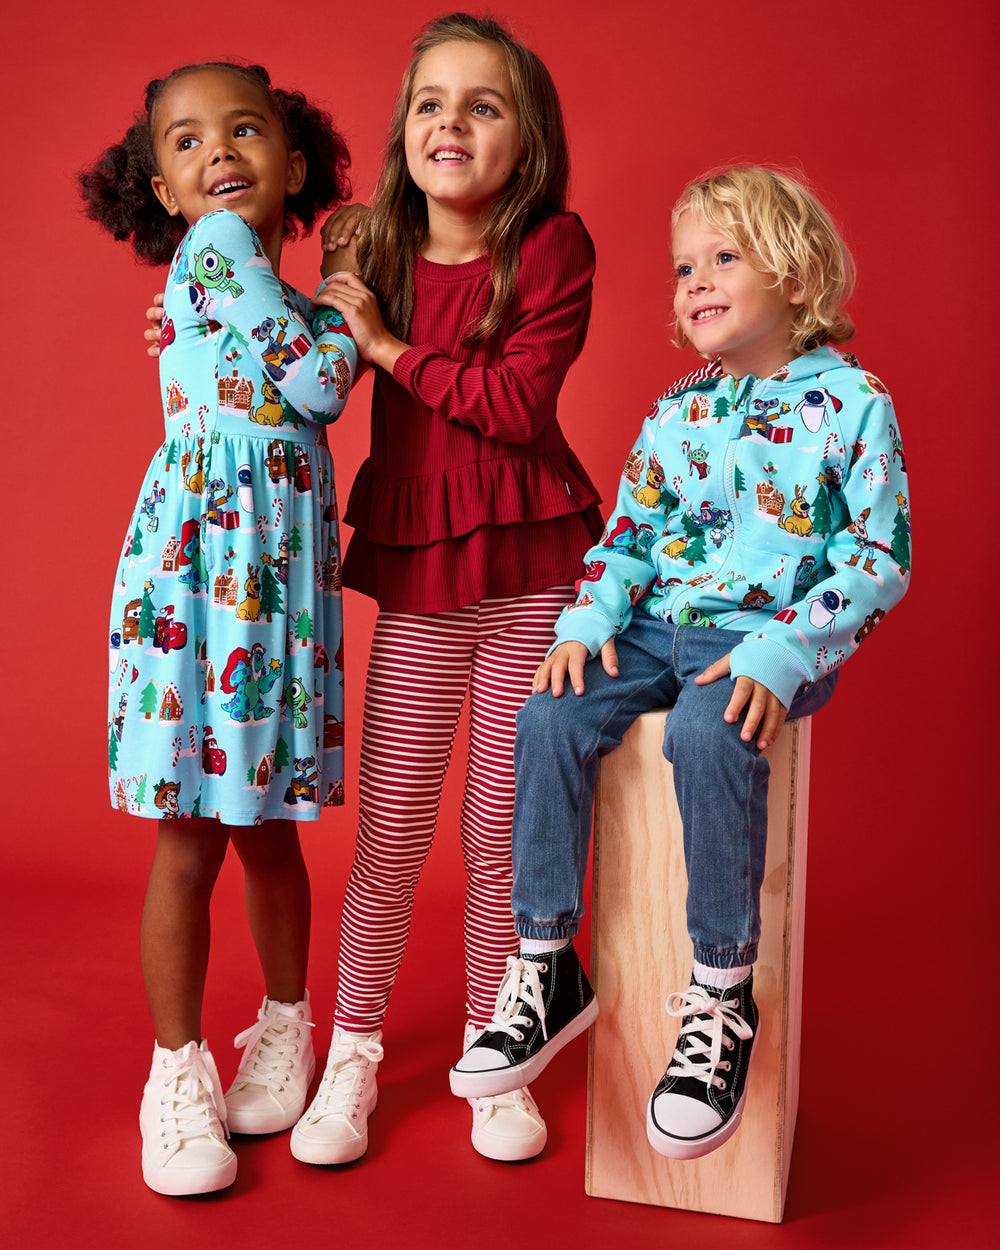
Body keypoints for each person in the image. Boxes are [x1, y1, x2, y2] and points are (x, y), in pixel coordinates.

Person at [450, 167, 911, 1161]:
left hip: (771, 635)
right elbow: (629, 538)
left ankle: (720, 995)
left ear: (795, 276)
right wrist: (583, 624)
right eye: (682, 267)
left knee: (708, 730)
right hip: (657, 629)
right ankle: (545, 962)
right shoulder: (677, 411)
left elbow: (876, 559)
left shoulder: (852, 402)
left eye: (723, 258)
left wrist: (784, 651)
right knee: (550, 711)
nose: (695, 281)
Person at [295, 12, 604, 1164]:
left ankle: (495, 1044)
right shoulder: (367, 243)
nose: (451, 123)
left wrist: (388, 349)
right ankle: (353, 1049)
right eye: (431, 102)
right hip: (424, 570)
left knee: (499, 834)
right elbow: (295, 360)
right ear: (403, 128)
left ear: (527, 138)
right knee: (391, 828)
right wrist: (196, 325)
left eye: (483, 105)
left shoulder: (553, 246)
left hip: (534, 566)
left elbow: (516, 407)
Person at [80, 61, 358, 1195]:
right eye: (187, 143)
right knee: (195, 832)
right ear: (162, 188)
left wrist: (316, 306)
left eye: (244, 130)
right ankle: (176, 1071)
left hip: (269, 579)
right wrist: (345, 309)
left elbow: (281, 360)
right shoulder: (220, 248)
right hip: (205, 585)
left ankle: (286, 1031)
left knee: (268, 828)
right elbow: (323, 385)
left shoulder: (249, 280)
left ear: (294, 163)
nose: (219, 153)